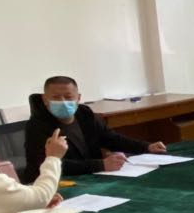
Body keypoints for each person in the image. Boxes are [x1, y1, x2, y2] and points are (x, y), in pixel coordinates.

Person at [23, 75, 166, 178]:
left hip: (92, 177)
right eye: (56, 97)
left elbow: (110, 138)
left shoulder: (85, 114)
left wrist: (146, 147)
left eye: (68, 97)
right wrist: (100, 165)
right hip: (59, 184)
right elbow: (46, 165)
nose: (63, 102)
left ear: (78, 98)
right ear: (45, 99)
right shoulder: (36, 126)